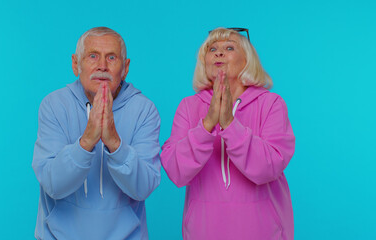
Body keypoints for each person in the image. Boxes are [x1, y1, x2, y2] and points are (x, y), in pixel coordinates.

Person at [160, 27, 295, 240]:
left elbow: (269, 166)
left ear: (247, 60)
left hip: (263, 231)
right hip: (203, 231)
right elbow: (175, 170)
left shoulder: (272, 104)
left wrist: (230, 125)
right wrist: (207, 125)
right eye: (212, 49)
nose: (219, 53)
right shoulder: (188, 106)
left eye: (229, 48)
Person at [32, 27, 161, 240]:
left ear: (125, 67)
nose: (102, 66)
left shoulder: (144, 110)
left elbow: (144, 187)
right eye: (93, 56)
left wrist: (115, 143)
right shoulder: (54, 105)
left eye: (112, 57)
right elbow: (52, 183)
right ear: (76, 64)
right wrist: (86, 142)